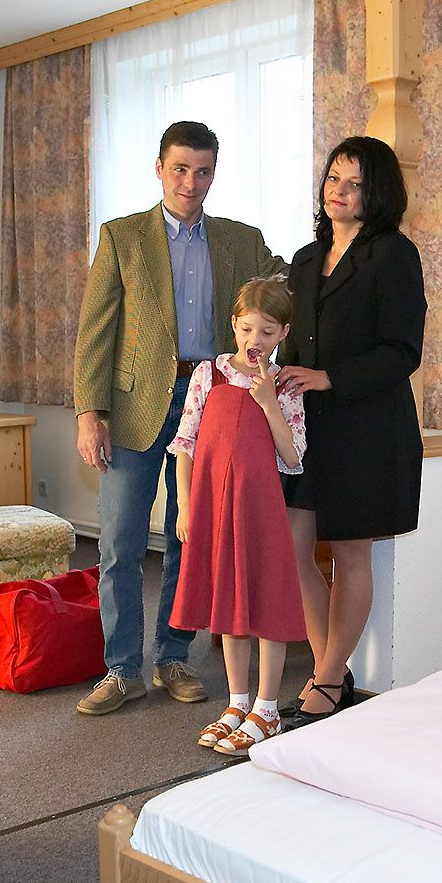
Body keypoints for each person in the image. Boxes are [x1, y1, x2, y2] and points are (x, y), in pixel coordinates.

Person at [71, 120, 285, 717]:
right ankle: (122, 669)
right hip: (137, 406)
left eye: (204, 171)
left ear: (215, 173)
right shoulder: (122, 238)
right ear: (160, 169)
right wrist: (91, 412)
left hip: (211, 402)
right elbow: (96, 333)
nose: (192, 182)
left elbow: (287, 290)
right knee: (120, 542)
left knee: (190, 539)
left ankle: (173, 656)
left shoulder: (242, 242)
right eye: (181, 169)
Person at [277, 136, 427, 720]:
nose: (339, 191)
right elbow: (291, 339)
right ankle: (329, 672)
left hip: (366, 426)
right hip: (307, 429)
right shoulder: (306, 257)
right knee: (294, 548)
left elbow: (401, 350)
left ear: (378, 193)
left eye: (355, 183)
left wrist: (328, 377)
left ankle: (326, 681)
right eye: (334, 178)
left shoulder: (393, 253)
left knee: (349, 553)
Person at [169, 279, 309, 756]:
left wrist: (269, 402)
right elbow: (185, 445)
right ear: (234, 325)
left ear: (282, 333)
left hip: (260, 509)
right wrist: (187, 506)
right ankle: (237, 702)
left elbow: (292, 457)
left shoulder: (284, 385)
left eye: (268, 332)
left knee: (265, 602)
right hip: (214, 507)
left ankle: (267, 709)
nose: (256, 341)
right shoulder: (208, 376)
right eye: (248, 329)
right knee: (229, 608)